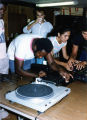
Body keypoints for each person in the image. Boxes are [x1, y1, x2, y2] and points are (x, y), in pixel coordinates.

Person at [7, 33, 72, 82]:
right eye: (40, 55)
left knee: (27, 75)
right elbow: (19, 70)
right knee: (16, 77)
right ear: (35, 48)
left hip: (29, 54)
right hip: (14, 55)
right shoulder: (22, 46)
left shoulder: (45, 45)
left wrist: (61, 70)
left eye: (43, 55)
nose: (41, 57)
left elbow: (52, 63)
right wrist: (37, 75)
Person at [0, 3, 9, 75]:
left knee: (4, 76)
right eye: (0, 9)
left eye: (3, 10)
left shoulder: (1, 21)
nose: (2, 12)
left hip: (3, 54)